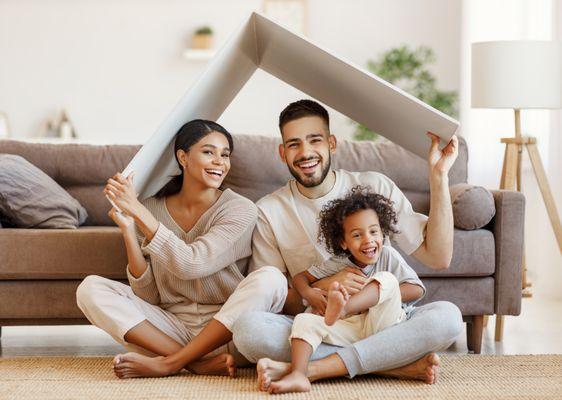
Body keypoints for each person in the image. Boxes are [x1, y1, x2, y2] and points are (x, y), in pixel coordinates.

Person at [232, 99, 464, 385]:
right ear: (282, 152)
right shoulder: (268, 210)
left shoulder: (374, 186)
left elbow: (439, 257)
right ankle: (390, 364)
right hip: (326, 323)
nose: (305, 153)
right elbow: (283, 302)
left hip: (386, 321)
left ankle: (312, 370)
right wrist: (325, 287)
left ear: (331, 143)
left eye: (314, 140)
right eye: (294, 144)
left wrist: (439, 176)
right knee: (248, 331)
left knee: (448, 318)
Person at [76, 119, 287, 379]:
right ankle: (194, 363)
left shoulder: (240, 209)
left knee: (271, 279)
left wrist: (138, 210)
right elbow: (149, 296)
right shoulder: (151, 210)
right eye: (209, 152)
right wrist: (129, 231)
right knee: (90, 288)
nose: (220, 162)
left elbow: (192, 264)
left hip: (227, 330)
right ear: (183, 157)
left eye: (225, 155)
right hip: (169, 330)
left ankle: (170, 363)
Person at [260, 186, 426, 394]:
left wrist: (372, 292)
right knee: (305, 319)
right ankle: (299, 375)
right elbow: (300, 278)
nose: (368, 240)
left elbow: (417, 289)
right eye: (357, 235)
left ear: (382, 232)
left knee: (387, 280)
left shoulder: (387, 256)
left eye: (374, 232)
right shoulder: (338, 263)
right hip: (353, 329)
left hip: (385, 326)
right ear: (343, 242)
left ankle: (344, 308)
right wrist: (310, 294)